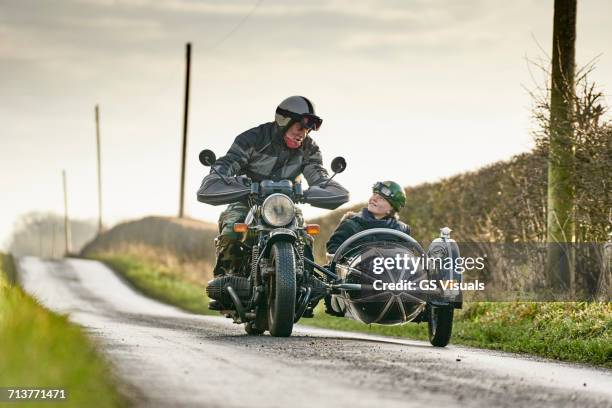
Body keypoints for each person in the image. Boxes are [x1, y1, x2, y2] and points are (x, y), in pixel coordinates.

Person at [197, 95, 349, 281]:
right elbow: (228, 163)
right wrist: (217, 176)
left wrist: (326, 188)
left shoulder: (309, 148)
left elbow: (319, 176)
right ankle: (225, 280)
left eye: (308, 129)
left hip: (285, 206)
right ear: (285, 121)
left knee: (304, 237)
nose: (303, 133)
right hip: (247, 201)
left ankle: (305, 284)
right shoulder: (252, 139)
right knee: (231, 230)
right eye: (300, 126)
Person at [326, 180, 410, 255]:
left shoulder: (400, 230)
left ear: (391, 208)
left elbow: (407, 258)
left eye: (381, 198)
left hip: (389, 272)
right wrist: (360, 256)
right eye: (374, 194)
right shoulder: (350, 224)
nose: (374, 199)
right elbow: (333, 248)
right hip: (355, 271)